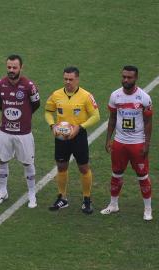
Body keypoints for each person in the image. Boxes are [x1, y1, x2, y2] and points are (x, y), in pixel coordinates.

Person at [100, 65, 153, 221]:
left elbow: (149, 121)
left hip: (137, 142)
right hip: (120, 141)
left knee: (143, 176)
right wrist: (108, 139)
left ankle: (148, 209)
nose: (125, 80)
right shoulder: (115, 96)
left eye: (129, 77)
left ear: (136, 78)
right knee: (116, 173)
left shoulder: (144, 97)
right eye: (123, 76)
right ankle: (113, 204)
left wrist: (147, 143)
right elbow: (112, 118)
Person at [45, 66, 100, 214]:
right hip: (61, 137)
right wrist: (52, 125)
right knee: (61, 166)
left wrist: (79, 127)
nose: (68, 82)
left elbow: (96, 116)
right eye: (65, 79)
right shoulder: (56, 95)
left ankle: (87, 199)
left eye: (71, 79)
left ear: (77, 79)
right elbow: (48, 112)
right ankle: (62, 198)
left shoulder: (86, 96)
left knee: (83, 167)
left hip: (79, 137)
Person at [0, 54, 40, 208]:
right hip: (5, 131)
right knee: (2, 160)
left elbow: (36, 104)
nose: (11, 70)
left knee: (28, 163)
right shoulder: (0, 85)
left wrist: (24, 116)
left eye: (14, 67)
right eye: (9, 67)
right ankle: (3, 191)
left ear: (21, 68)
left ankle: (32, 195)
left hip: (23, 133)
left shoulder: (29, 86)